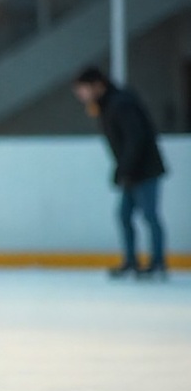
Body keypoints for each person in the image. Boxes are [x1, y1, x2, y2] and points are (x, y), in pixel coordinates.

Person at [71, 67, 168, 279]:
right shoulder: (107, 104)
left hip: (144, 170)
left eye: (83, 90)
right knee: (124, 215)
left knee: (150, 216)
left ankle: (158, 263)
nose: (81, 96)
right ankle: (131, 261)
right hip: (132, 171)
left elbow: (136, 138)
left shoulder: (120, 103)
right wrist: (124, 169)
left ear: (97, 85)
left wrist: (125, 168)